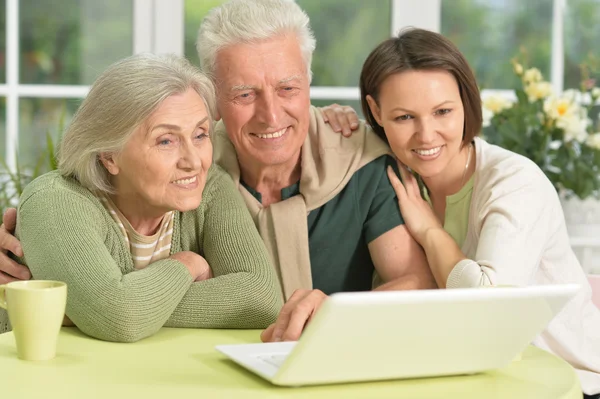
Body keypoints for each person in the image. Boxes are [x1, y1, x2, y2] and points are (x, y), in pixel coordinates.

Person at [359, 28, 600, 398]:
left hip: (570, 383)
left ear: (466, 102)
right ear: (376, 111)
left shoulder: (515, 182)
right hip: (465, 381)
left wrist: (429, 232)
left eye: (443, 111)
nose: (426, 136)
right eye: (404, 117)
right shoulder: (395, 174)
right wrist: (335, 120)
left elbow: (488, 308)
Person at [0, 53, 283, 342]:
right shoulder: (53, 202)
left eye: (200, 134)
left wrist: (98, 310)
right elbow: (119, 318)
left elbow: (261, 300)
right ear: (109, 156)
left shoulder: (211, 187)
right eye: (166, 141)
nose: (193, 161)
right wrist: (187, 264)